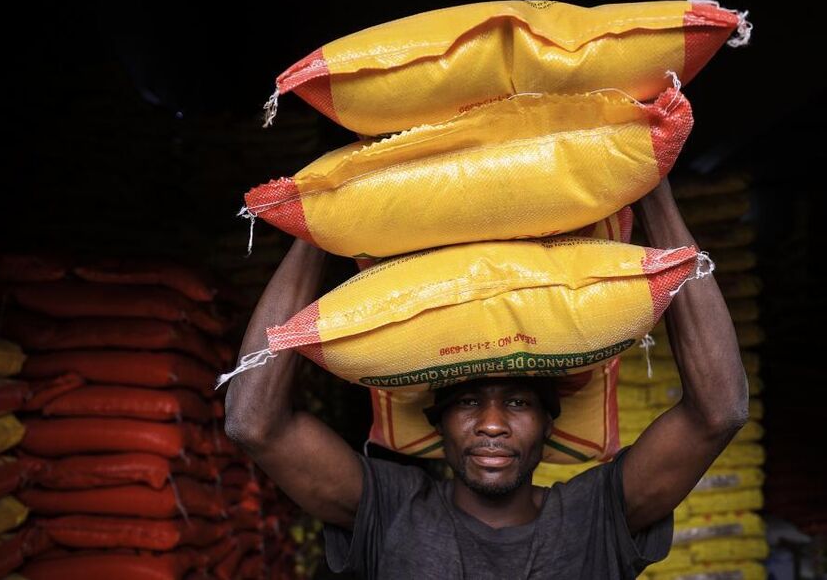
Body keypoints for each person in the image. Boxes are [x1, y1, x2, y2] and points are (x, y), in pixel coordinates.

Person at [224, 179, 748, 579]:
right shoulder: (389, 507)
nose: (492, 424)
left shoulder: (598, 513)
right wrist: (321, 224)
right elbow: (254, 424)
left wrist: (650, 186)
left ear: (549, 421)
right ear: (437, 418)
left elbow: (719, 411)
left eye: (519, 402)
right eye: (468, 402)